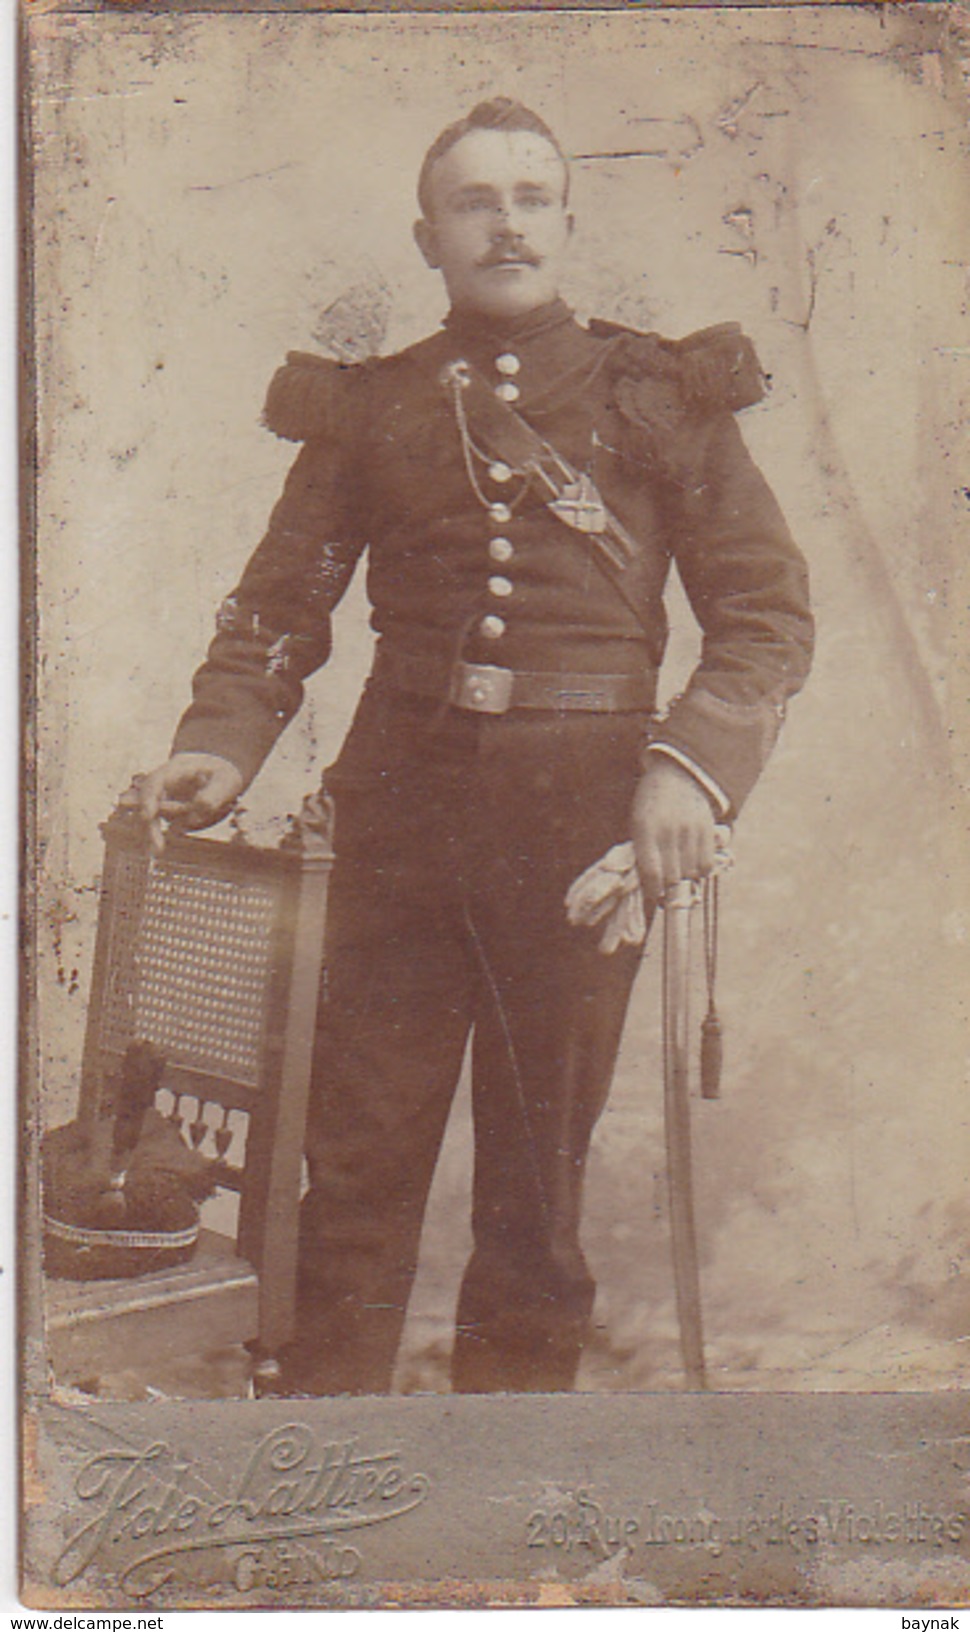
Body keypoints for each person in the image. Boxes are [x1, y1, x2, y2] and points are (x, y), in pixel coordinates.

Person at [133, 97, 813, 1395]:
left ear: (565, 219)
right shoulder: (371, 409)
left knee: (535, 1194)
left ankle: (503, 1492)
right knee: (358, 1164)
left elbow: (764, 615)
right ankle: (325, 1476)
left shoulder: (658, 394)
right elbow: (284, 600)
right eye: (474, 201)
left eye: (531, 197)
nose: (506, 222)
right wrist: (221, 744)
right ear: (427, 235)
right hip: (395, 826)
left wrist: (688, 770)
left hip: (579, 829)